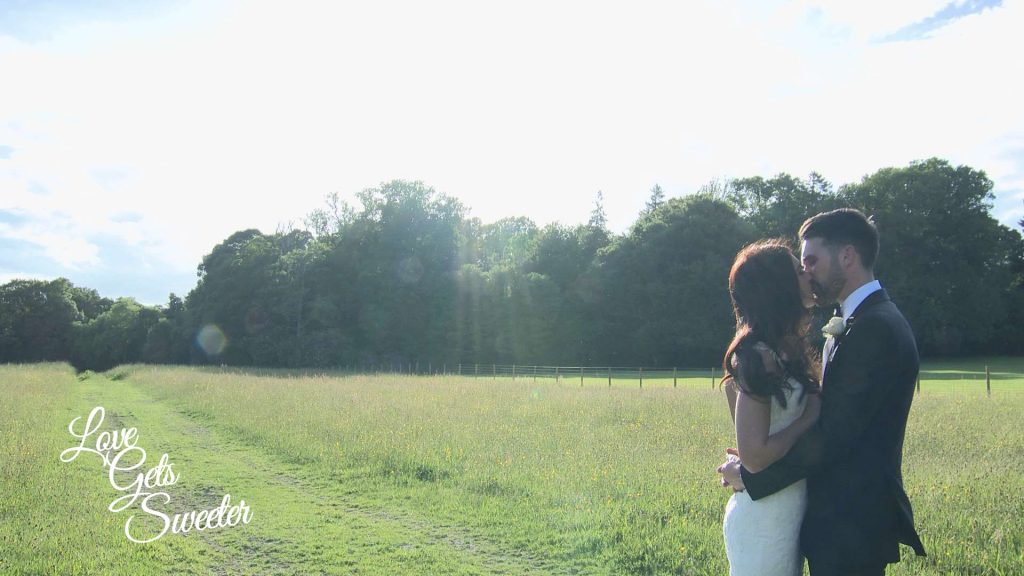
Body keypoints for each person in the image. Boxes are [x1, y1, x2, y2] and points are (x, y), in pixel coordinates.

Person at [718, 209, 927, 576]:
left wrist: (753, 478)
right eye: (802, 265)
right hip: (828, 520)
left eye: (811, 261)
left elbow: (833, 436)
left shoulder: (875, 328)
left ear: (847, 256)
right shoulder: (858, 321)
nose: (807, 272)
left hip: (852, 521)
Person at [720, 238, 822, 576]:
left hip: (787, 509)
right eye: (798, 270)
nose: (808, 273)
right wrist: (807, 419)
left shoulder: (786, 349)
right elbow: (755, 456)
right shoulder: (757, 357)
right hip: (764, 519)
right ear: (778, 287)